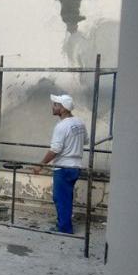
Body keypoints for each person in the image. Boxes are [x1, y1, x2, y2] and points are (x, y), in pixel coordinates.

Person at [33, 94, 88, 234]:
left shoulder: (61, 126)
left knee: (61, 198)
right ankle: (63, 223)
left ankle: (64, 228)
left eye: (56, 105)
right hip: (76, 166)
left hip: (63, 167)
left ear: (63, 109)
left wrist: (41, 164)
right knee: (66, 197)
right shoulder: (79, 122)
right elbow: (85, 141)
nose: (53, 107)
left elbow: (55, 149)